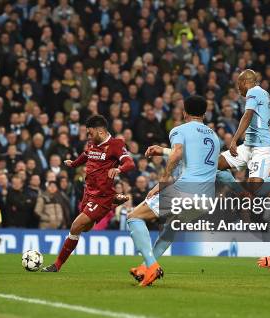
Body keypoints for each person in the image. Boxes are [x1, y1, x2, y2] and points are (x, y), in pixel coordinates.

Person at [124, 95, 220, 287]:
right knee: (171, 226)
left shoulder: (180, 130)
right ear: (204, 113)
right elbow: (194, 155)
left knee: (134, 217)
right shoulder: (214, 137)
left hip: (185, 190)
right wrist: (162, 150)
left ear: (184, 112)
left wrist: (162, 182)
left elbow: (178, 152)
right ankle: (145, 268)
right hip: (206, 198)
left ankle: (152, 266)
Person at [41, 115, 134, 272]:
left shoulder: (116, 144)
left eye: (90, 133)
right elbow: (86, 155)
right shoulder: (93, 144)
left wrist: (118, 169)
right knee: (85, 228)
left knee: (75, 226)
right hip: (88, 193)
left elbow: (129, 162)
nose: (88, 136)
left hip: (101, 196)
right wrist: (74, 164)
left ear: (100, 131)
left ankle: (56, 265)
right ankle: (112, 203)